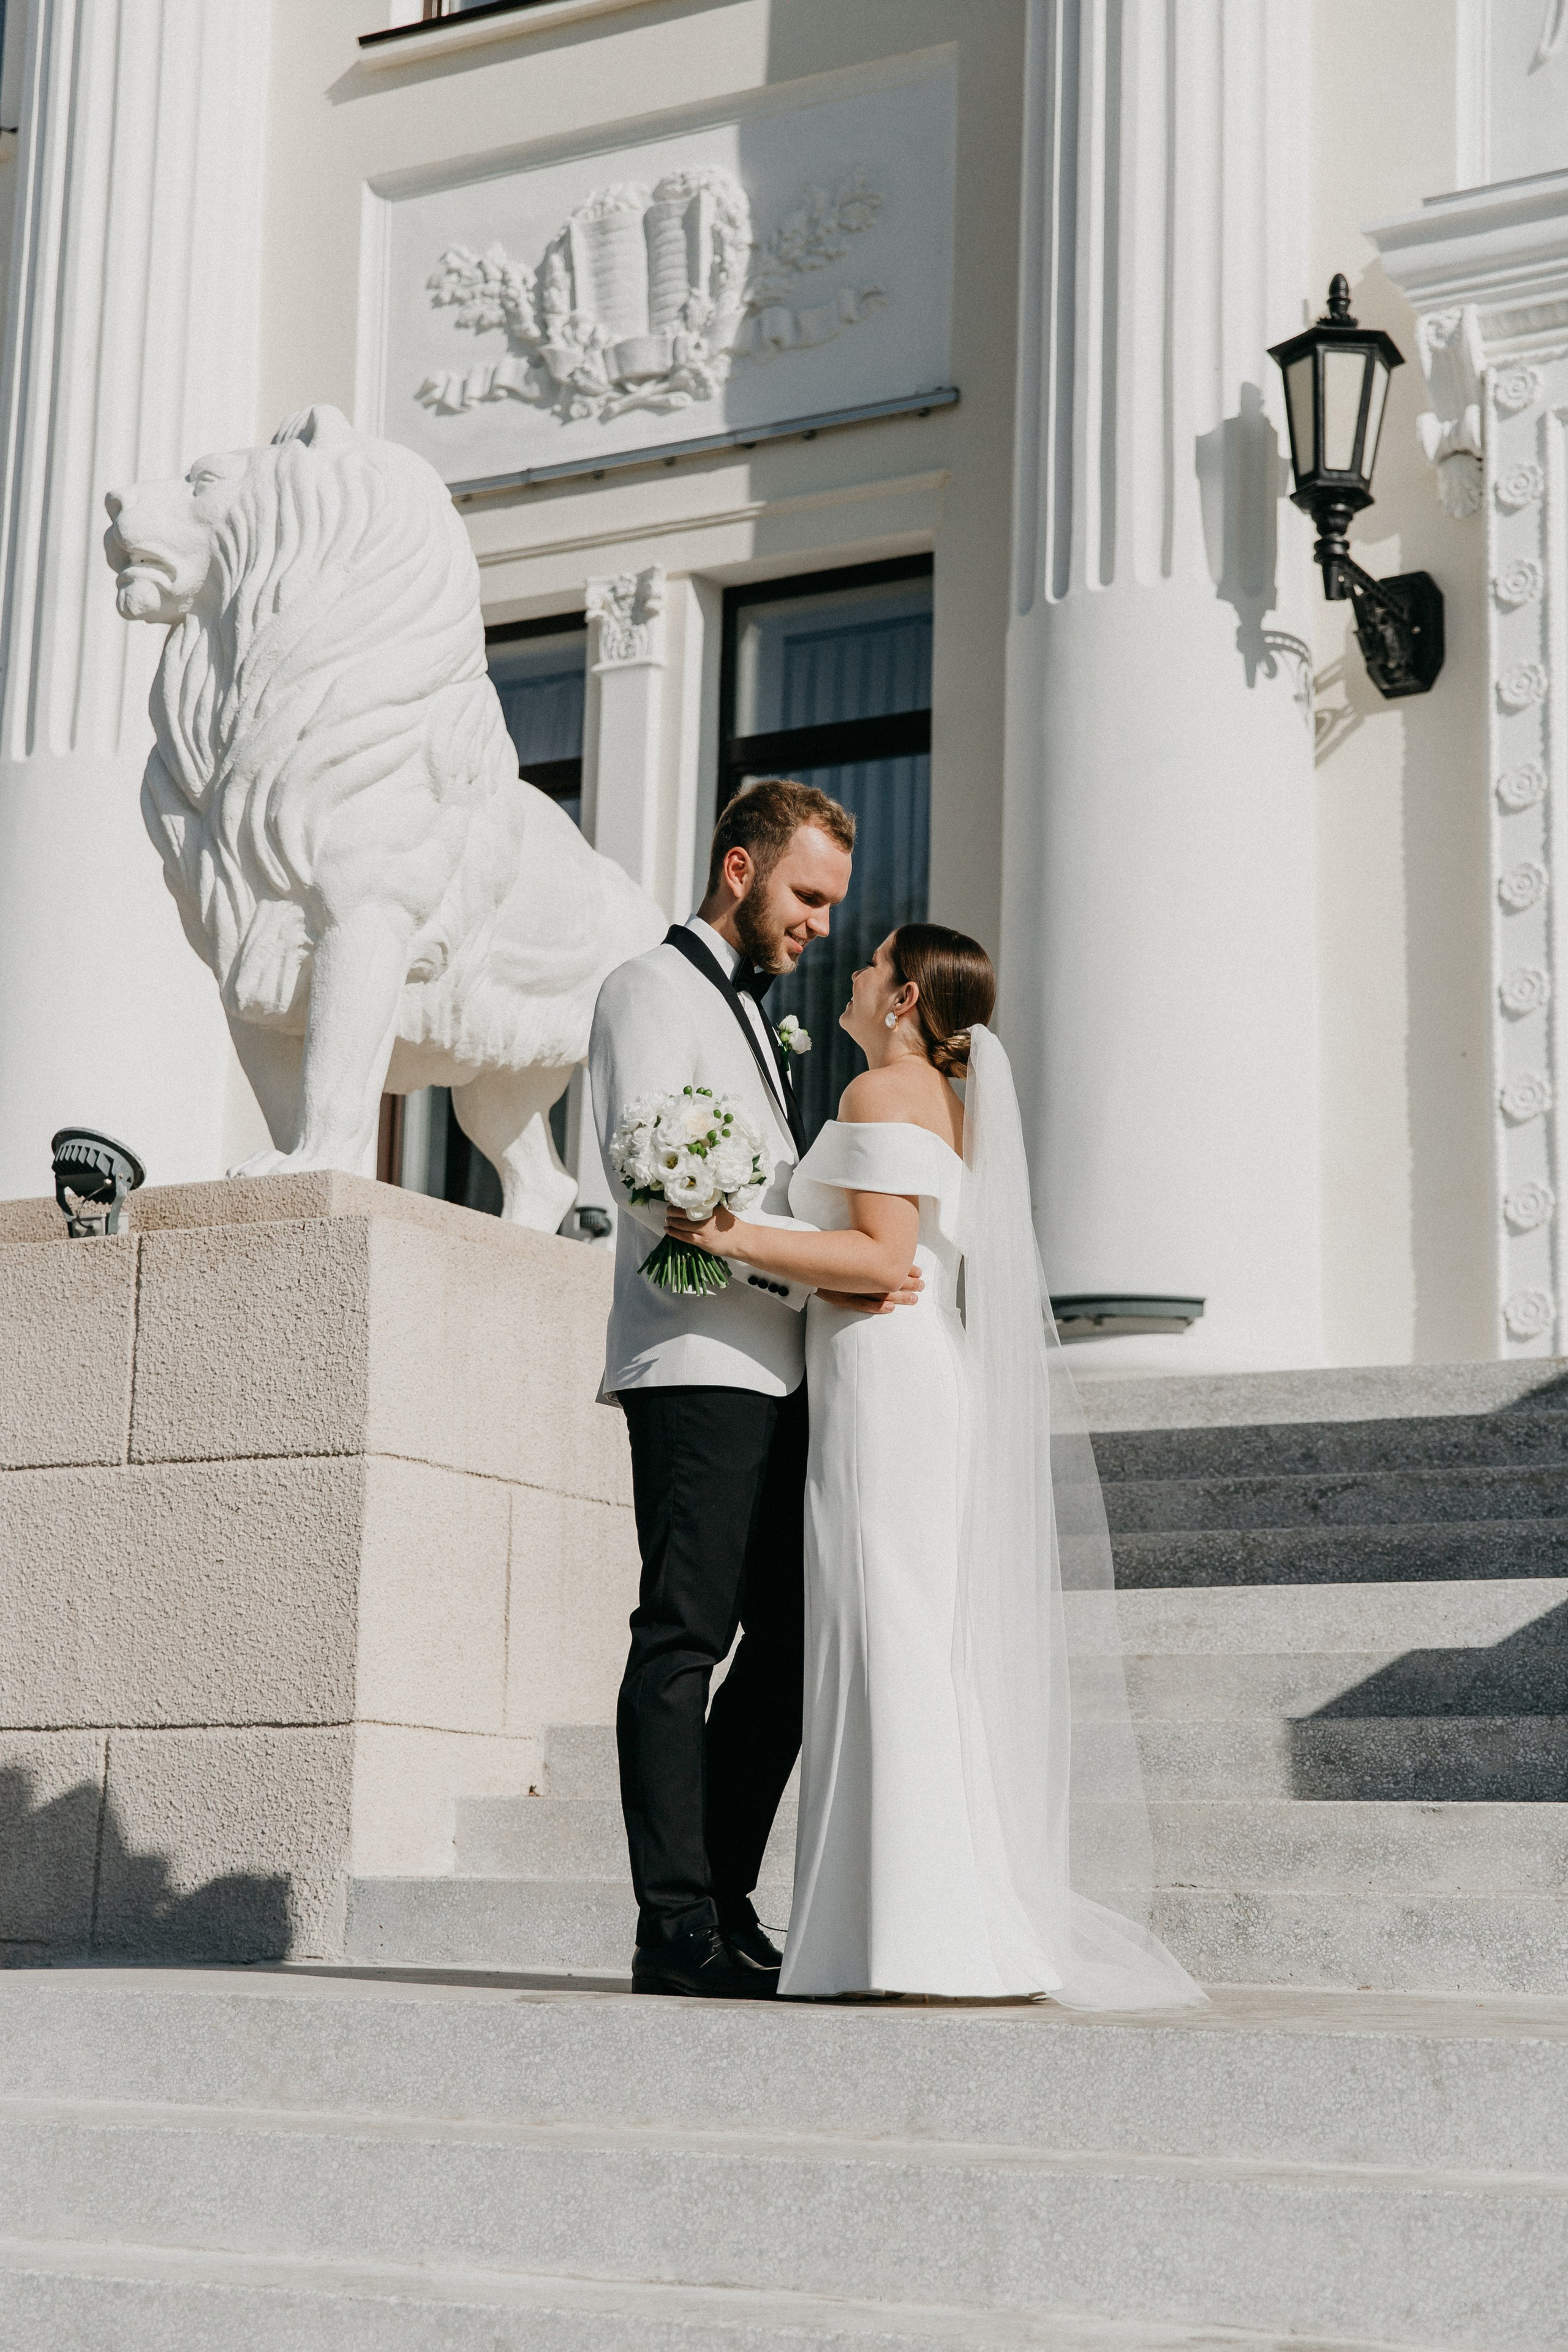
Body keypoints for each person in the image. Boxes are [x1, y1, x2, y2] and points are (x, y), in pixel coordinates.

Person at [667, 923, 1205, 2007]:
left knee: (890, 1635)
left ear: (905, 996)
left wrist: (722, 1232)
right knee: (905, 1636)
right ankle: (923, 1922)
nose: (854, 974)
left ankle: (907, 1934)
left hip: (885, 1382)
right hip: (904, 1377)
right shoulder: (935, 1102)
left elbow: (877, 1258)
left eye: (871, 966)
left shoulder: (882, 1094)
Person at [587, 778, 924, 2000]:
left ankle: (726, 1897)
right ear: (738, 868)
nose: (821, 923)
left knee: (788, 1643)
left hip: (785, 1374)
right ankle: (670, 1921)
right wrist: (815, 1287)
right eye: (805, 895)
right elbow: (653, 1193)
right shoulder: (644, 990)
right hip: (692, 1361)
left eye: (831, 903)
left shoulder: (763, 1022)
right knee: (685, 1634)